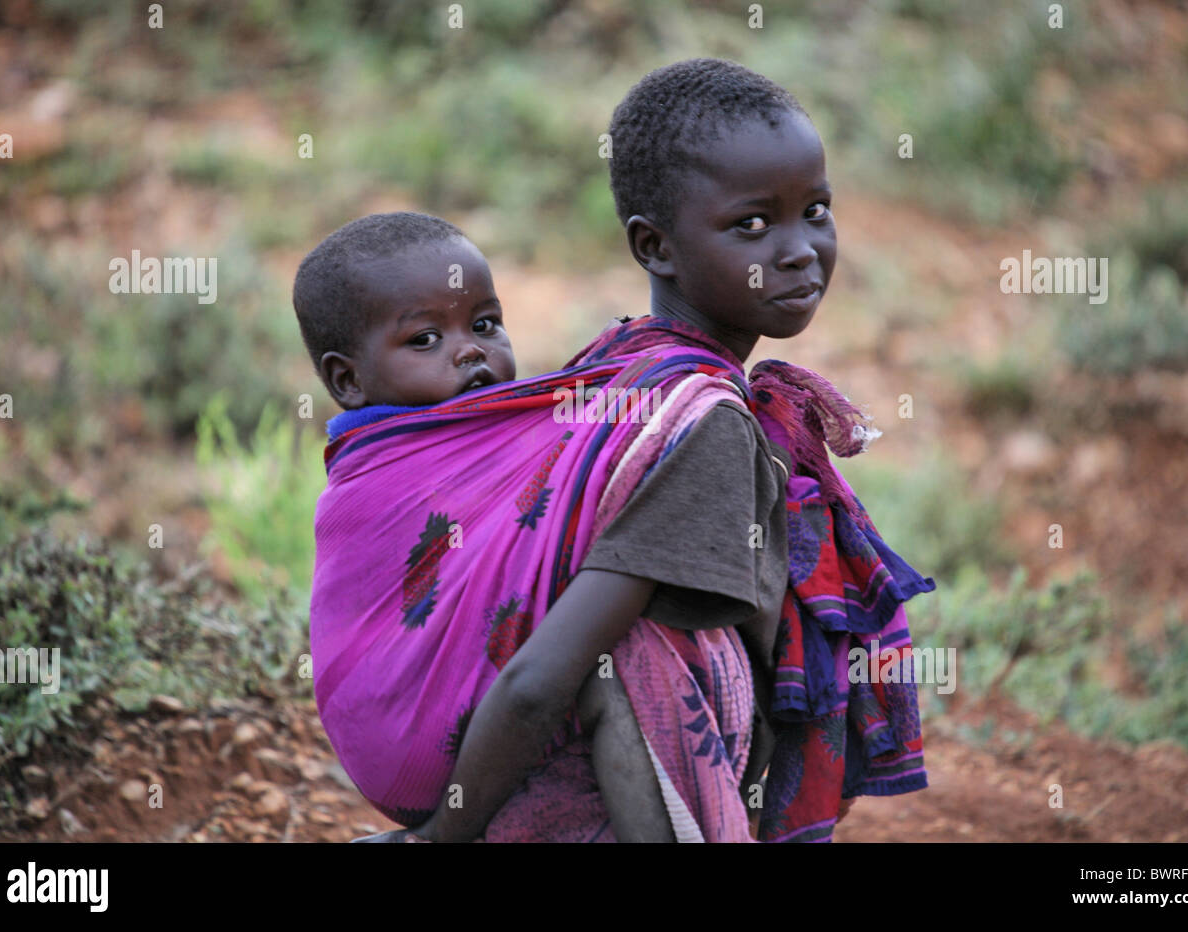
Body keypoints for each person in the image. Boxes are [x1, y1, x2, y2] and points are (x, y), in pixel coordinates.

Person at [398, 58, 935, 844]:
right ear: (656, 246)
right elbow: (543, 677)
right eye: (752, 224)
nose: (798, 250)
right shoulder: (704, 424)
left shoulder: (621, 364)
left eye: (815, 210)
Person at [294, 211, 679, 840]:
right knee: (623, 672)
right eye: (425, 340)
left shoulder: (515, 432)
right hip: (418, 735)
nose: (471, 349)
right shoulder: (374, 480)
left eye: (484, 324)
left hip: (435, 744)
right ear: (347, 379)